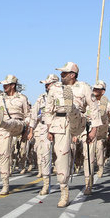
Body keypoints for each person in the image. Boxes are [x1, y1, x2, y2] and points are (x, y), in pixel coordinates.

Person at [44, 62, 102, 208]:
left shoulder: (84, 87)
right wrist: (49, 128)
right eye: (61, 73)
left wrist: (94, 129)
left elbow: (94, 108)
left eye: (64, 73)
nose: (61, 75)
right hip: (59, 122)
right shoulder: (55, 88)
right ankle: (64, 193)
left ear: (72, 75)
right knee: (61, 156)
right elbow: (48, 109)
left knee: (73, 110)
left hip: (79, 121)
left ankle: (89, 183)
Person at [0, 74, 29, 195]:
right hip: (3, 128)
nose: (4, 86)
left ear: (13, 85)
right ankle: (5, 184)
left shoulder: (22, 98)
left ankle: (4, 123)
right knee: (4, 154)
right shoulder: (0, 98)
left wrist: (26, 131)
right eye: (3, 84)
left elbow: (27, 116)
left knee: (11, 122)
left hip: (18, 125)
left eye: (6, 84)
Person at [28, 74, 57, 195]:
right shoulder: (42, 98)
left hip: (60, 127)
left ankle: (64, 184)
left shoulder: (63, 96)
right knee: (45, 156)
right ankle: (46, 185)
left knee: (61, 156)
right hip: (45, 128)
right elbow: (34, 114)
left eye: (48, 84)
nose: (46, 86)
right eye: (45, 84)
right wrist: (30, 130)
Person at [92, 80, 110, 178]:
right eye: (94, 88)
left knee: (99, 149)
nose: (95, 90)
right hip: (89, 130)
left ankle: (100, 167)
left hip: (101, 131)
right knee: (88, 152)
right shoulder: (89, 102)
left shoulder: (108, 105)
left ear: (103, 91)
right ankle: (90, 169)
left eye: (98, 89)